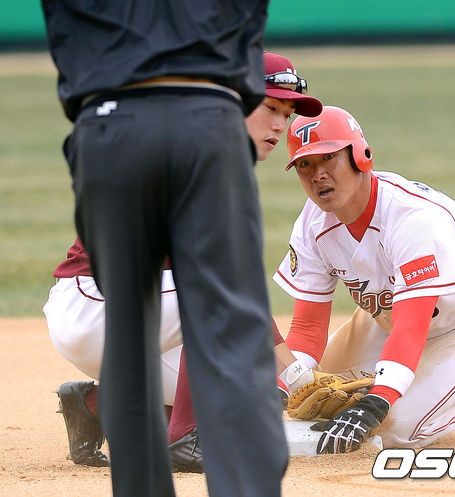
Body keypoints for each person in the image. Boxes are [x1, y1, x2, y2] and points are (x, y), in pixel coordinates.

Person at [40, 2, 290, 496]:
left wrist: (89, 101)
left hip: (107, 118)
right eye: (274, 109)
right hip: (206, 114)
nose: (281, 125)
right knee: (232, 328)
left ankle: (114, 439)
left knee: (130, 340)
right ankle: (220, 463)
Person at [273, 105, 455, 453]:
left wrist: (378, 401)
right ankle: (433, 381)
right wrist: (281, 387)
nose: (317, 174)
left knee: (392, 428)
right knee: (318, 392)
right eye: (305, 164)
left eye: (328, 157)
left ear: (359, 156)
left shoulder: (411, 218)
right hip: (391, 312)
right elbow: (307, 328)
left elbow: (411, 328)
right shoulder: (313, 222)